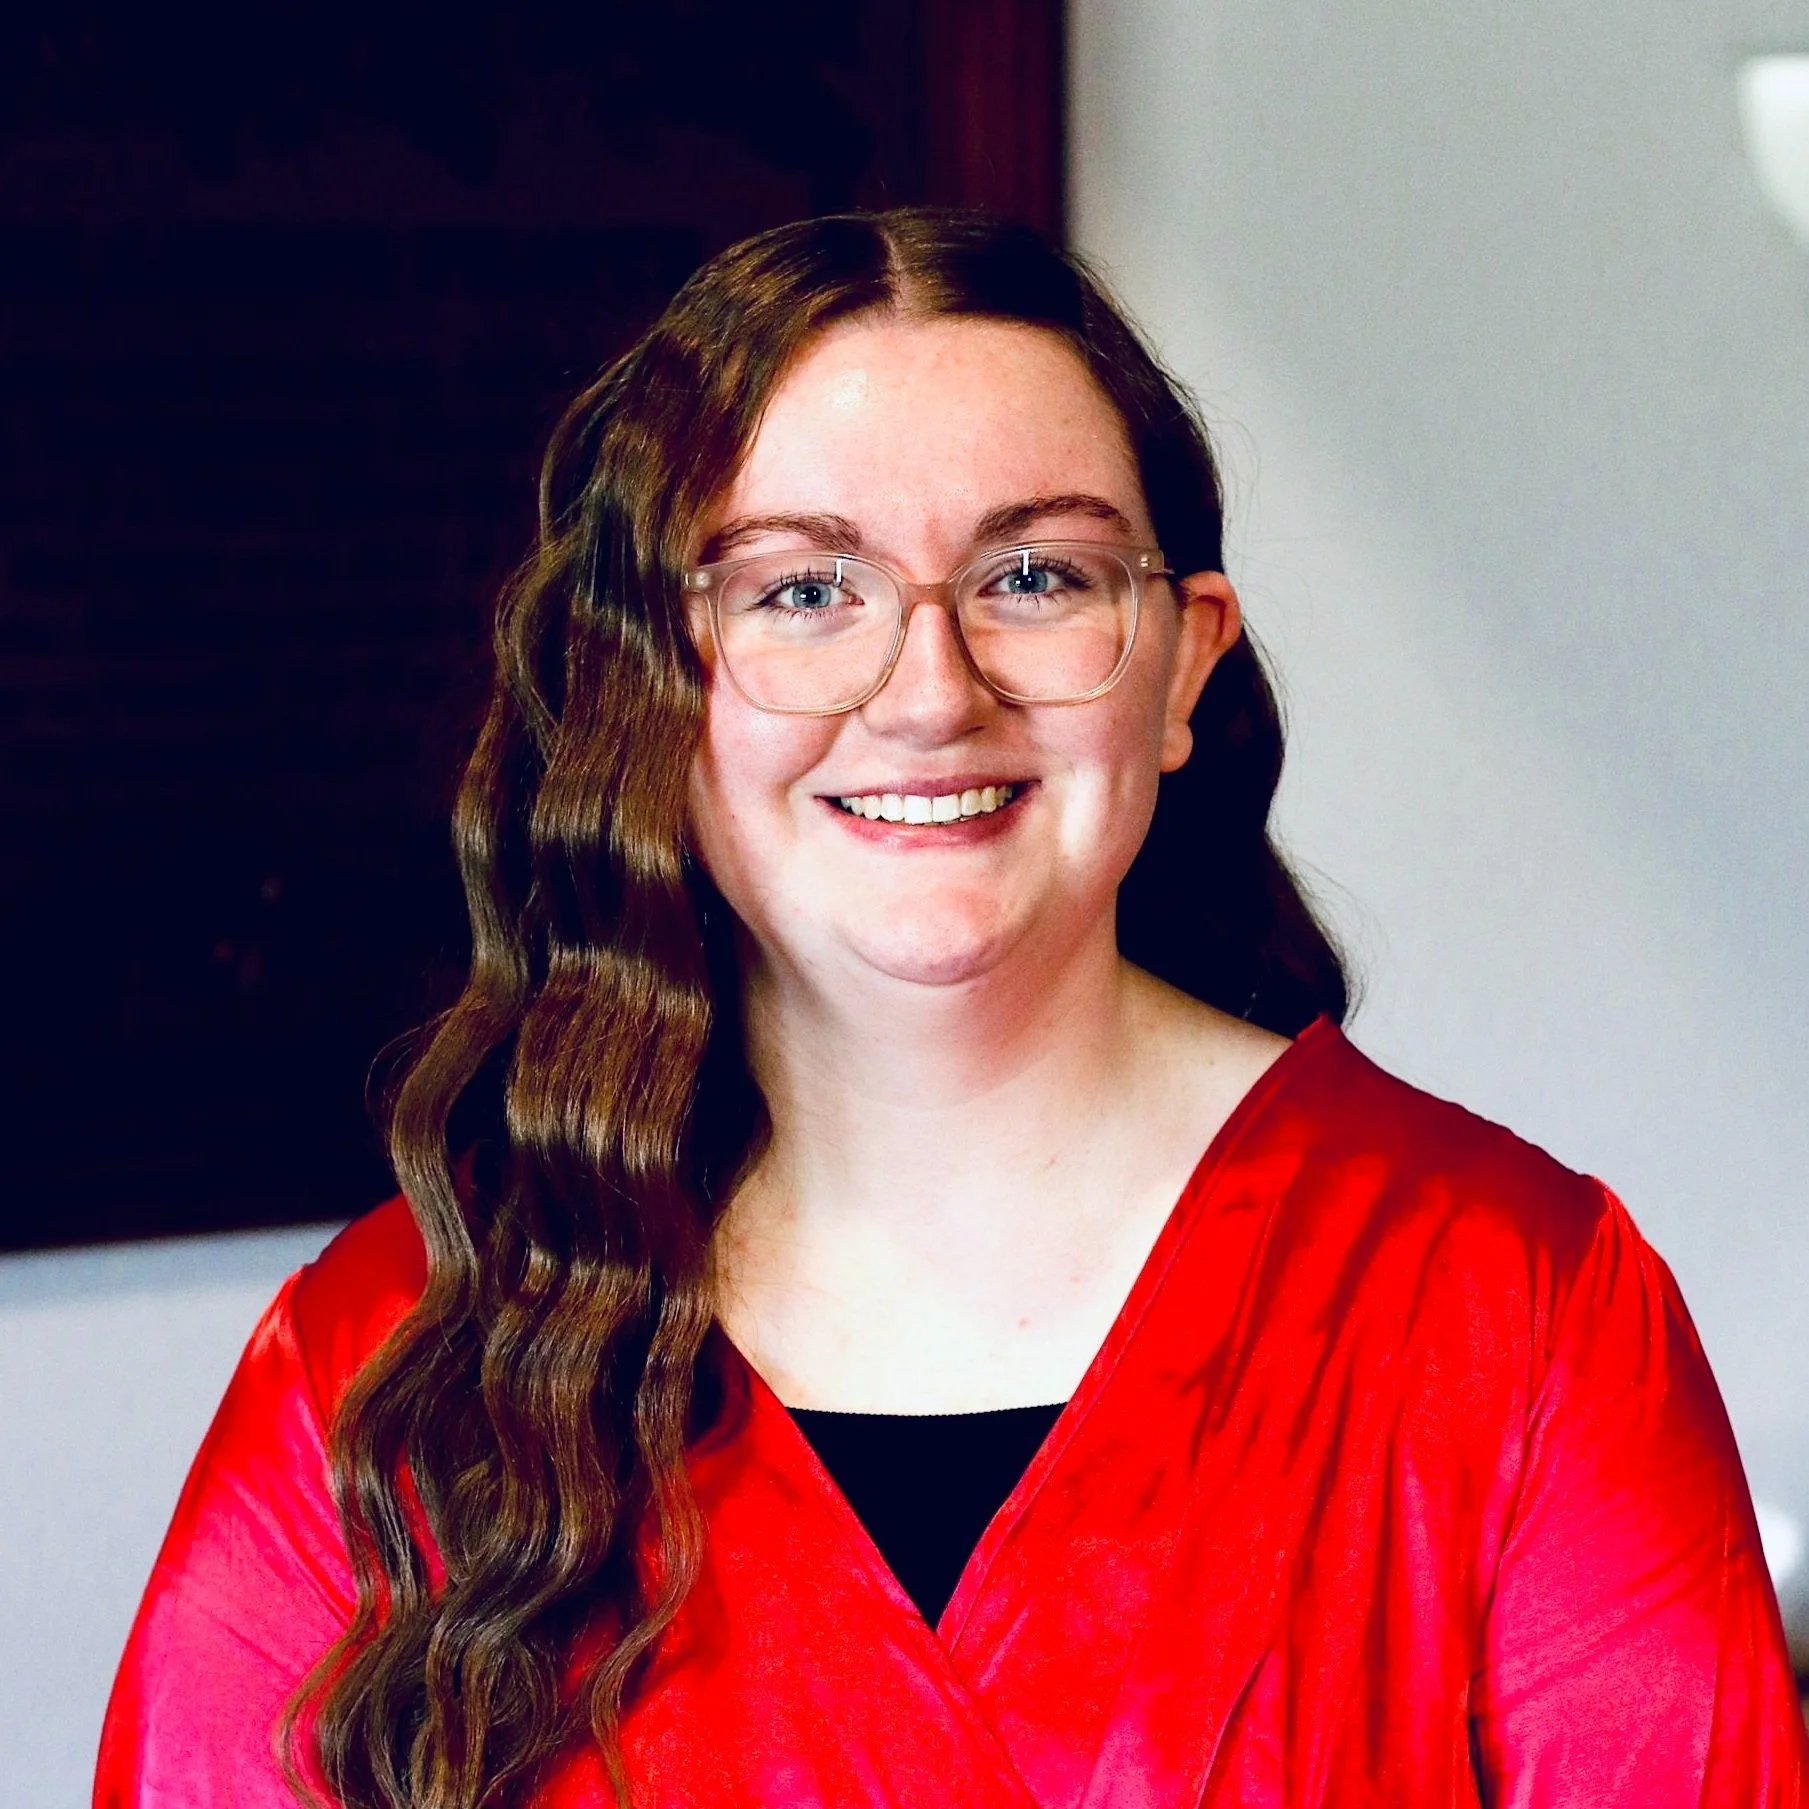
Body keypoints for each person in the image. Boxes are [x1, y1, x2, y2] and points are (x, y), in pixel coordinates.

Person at [95, 209, 1806, 1809]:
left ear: (1184, 662)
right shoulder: (382, 1366)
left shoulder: (1519, 1308)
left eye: (1037, 577)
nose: (929, 695)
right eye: (800, 591)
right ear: (652, 687)